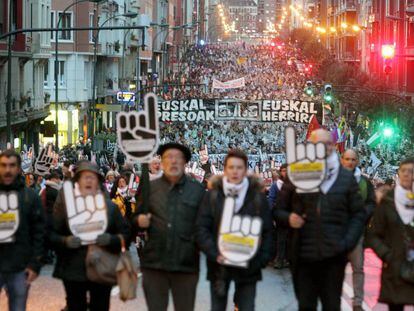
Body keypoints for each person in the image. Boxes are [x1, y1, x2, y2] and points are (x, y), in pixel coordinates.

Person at [274, 129, 366, 311]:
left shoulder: (346, 178)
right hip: (302, 256)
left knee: (331, 305)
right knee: (306, 305)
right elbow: (278, 210)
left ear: (333, 147)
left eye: (327, 144)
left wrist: (347, 242)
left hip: (334, 256)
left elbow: (358, 215)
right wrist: (289, 218)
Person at [196, 149, 275, 311]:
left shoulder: (257, 198)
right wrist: (214, 253)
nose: (235, 171)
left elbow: (268, 231)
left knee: (246, 307)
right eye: (231, 167)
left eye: (239, 167)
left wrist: (261, 259)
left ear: (245, 170)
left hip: (249, 266)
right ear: (225, 169)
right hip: (219, 266)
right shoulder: (212, 196)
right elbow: (202, 228)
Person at [132, 143, 205, 311]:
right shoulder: (149, 189)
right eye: (168, 158)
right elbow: (133, 221)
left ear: (185, 162)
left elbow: (205, 226)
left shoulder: (198, 190)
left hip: (186, 265)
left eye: (177, 158)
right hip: (154, 264)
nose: (173, 161)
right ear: (162, 162)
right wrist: (138, 221)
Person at [50, 160, 130, 311]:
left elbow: (126, 234)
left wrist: (111, 240)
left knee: (100, 307)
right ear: (77, 182)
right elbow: (50, 234)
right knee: (75, 306)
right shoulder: (67, 208)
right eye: (84, 177)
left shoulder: (110, 208)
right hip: (73, 269)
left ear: (98, 182)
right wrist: (65, 241)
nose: (88, 180)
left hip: (102, 268)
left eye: (92, 177)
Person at [0, 150, 45, 311]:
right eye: (3, 165)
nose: (7, 170)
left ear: (19, 168)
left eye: (12, 165)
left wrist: (35, 264)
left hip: (20, 267)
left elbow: (39, 232)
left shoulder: (30, 197)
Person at [367, 158, 414, 311]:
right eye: (403, 170)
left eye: (411, 171)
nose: (407, 174)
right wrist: (387, 255)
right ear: (398, 173)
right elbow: (373, 235)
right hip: (395, 268)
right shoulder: (388, 200)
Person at [341, 149, 376, 311]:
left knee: (358, 268)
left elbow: (371, 203)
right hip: (338, 232)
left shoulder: (365, 183)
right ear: (342, 160)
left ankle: (357, 302)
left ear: (358, 161)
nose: (350, 162)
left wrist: (362, 215)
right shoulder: (333, 180)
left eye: (353, 159)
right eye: (347, 159)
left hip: (357, 233)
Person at [40, 171, 63, 264]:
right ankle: (46, 256)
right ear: (53, 179)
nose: (58, 180)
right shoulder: (52, 190)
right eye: (57, 178)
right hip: (50, 216)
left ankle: (47, 255)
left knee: (47, 237)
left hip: (48, 216)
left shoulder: (48, 188)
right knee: (48, 237)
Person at [271, 163, 290, 269]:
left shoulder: (294, 184)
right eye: (283, 170)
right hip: (280, 216)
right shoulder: (276, 185)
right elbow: (271, 199)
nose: (285, 172)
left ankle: (287, 259)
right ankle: (279, 260)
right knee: (281, 238)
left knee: (290, 239)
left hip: (291, 215)